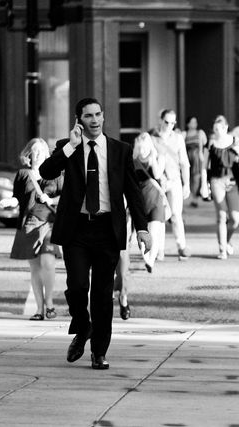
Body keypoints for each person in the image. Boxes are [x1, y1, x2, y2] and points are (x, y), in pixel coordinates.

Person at [39, 97, 151, 370]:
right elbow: (45, 171)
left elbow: (133, 193)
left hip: (106, 230)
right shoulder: (68, 149)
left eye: (98, 114)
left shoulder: (120, 150)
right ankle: (83, 326)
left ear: (103, 116)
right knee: (77, 286)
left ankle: (99, 352)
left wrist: (143, 227)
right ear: (79, 120)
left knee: (102, 295)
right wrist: (70, 146)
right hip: (76, 229)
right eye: (88, 115)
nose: (95, 120)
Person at [0, 138, 63, 321]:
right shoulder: (23, 174)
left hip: (50, 223)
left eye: (39, 151)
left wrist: (51, 200)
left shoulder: (56, 174)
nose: (36, 155)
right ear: (28, 154)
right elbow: (17, 197)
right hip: (28, 223)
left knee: (48, 263)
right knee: (35, 268)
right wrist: (9, 202)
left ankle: (50, 303)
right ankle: (39, 309)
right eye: (33, 151)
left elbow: (66, 197)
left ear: (46, 154)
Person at [150, 109, 191, 260]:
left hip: (174, 181)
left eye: (173, 123)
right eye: (167, 122)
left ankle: (181, 246)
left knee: (176, 214)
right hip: (158, 182)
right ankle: (159, 249)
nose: (169, 125)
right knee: (159, 217)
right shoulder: (152, 137)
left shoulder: (178, 138)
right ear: (160, 120)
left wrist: (187, 184)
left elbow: (184, 163)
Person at [204, 115, 239, 259]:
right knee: (222, 215)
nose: (216, 131)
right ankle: (222, 249)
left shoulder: (234, 140)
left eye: (219, 128)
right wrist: (204, 185)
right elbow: (204, 166)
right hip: (217, 181)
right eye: (215, 129)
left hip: (232, 181)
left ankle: (226, 241)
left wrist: (238, 151)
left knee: (235, 218)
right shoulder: (211, 143)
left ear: (226, 128)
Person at [132, 132, 166, 273]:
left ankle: (151, 261)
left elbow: (157, 175)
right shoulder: (133, 162)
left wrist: (153, 159)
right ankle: (146, 258)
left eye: (145, 148)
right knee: (143, 234)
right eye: (140, 148)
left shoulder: (156, 158)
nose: (143, 151)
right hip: (140, 201)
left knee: (154, 232)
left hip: (155, 199)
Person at [181, 116, 208, 207]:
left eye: (195, 122)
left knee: (196, 178)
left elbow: (205, 143)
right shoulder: (184, 134)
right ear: (187, 124)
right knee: (188, 177)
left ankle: (195, 198)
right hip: (187, 157)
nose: (194, 124)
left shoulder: (200, 133)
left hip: (197, 157)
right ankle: (189, 194)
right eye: (192, 122)